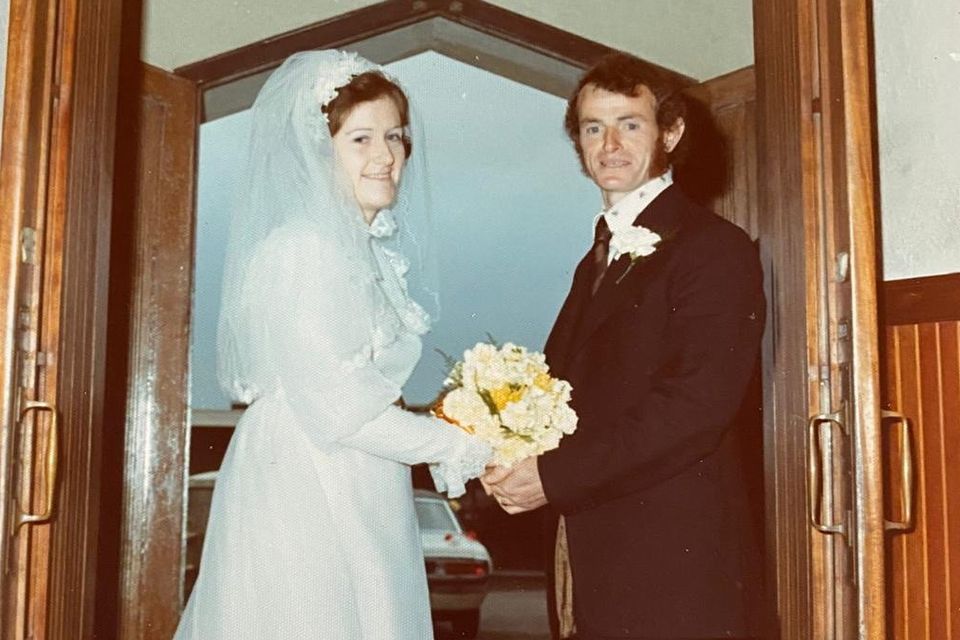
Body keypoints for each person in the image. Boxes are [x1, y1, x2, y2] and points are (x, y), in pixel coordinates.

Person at [174, 50, 491, 640]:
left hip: (353, 474)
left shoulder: (352, 248)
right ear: (319, 151)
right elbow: (341, 404)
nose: (385, 157)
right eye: (361, 139)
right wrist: (462, 445)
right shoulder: (306, 250)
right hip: (308, 479)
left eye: (395, 136)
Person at [483, 52, 766, 639]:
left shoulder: (714, 248)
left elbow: (695, 409)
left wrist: (554, 477)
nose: (609, 144)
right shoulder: (599, 253)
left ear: (671, 132)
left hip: (671, 562)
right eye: (593, 127)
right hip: (594, 548)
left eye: (629, 124)